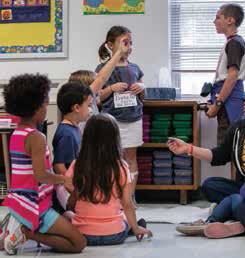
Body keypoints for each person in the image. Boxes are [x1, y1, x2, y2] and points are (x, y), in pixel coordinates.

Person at [0, 74, 86, 255]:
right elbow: (40, 175)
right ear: (37, 108)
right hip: (35, 206)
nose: (47, 108)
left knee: (68, 227)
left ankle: (20, 228)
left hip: (20, 202)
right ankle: (26, 233)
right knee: (78, 243)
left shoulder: (17, 133)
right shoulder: (36, 137)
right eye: (46, 104)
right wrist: (63, 180)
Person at [65, 114, 152, 245]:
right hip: (114, 235)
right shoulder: (122, 167)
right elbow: (127, 204)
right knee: (124, 215)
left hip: (83, 235)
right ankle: (136, 226)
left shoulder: (77, 164)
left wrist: (71, 208)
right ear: (115, 140)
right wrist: (136, 228)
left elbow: (73, 197)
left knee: (67, 215)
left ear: (86, 138)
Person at [95, 25, 145, 203]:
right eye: (124, 42)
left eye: (131, 43)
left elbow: (142, 95)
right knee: (112, 159)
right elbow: (97, 98)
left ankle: (129, 198)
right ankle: (113, 197)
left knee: (131, 158)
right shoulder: (103, 68)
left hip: (133, 119)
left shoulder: (135, 68)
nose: (129, 46)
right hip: (112, 121)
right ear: (110, 45)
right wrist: (111, 88)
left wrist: (141, 88)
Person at [206, 3, 245, 145]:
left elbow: (232, 77)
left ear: (230, 20)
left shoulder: (234, 44)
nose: (214, 21)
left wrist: (217, 104)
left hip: (230, 102)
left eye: (218, 17)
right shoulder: (233, 42)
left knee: (231, 150)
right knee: (231, 149)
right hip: (228, 99)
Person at [68, 37, 130, 131]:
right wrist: (119, 53)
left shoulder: (89, 105)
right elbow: (101, 78)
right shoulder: (85, 106)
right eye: (97, 89)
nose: (100, 91)